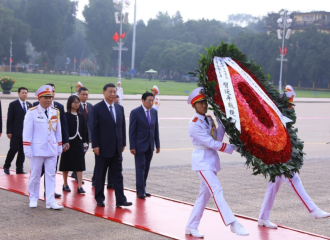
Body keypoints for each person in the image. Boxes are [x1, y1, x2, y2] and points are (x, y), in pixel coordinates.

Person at [258, 85, 330, 229]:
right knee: (293, 179)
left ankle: (263, 218)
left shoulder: (284, 116)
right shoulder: (278, 116)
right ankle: (313, 210)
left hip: (279, 156)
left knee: (273, 185)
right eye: (290, 105)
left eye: (292, 105)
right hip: (277, 157)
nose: (292, 108)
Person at [185, 87, 249, 238]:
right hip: (202, 161)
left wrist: (221, 122)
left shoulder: (208, 118)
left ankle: (191, 226)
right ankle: (233, 223)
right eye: (200, 103)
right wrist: (232, 147)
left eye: (205, 102)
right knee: (216, 189)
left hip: (211, 161)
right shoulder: (194, 124)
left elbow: (217, 139)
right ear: (194, 105)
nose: (204, 105)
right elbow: (210, 143)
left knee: (203, 196)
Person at [23, 85, 63, 209]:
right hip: (37, 149)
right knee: (35, 175)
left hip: (51, 148)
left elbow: (58, 131)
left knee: (51, 175)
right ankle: (33, 197)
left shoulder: (55, 111)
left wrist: (59, 146)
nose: (49, 100)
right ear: (39, 98)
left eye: (50, 97)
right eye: (46, 97)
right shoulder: (32, 112)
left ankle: (50, 200)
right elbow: (27, 132)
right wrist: (27, 149)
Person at [92, 83, 132, 208]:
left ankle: (120, 199)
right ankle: (99, 198)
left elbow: (122, 127)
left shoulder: (119, 108)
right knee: (101, 174)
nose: (113, 94)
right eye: (110, 91)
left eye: (114, 92)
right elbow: (94, 129)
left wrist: (123, 142)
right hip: (102, 148)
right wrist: (95, 145)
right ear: (104, 92)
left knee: (118, 175)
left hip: (117, 148)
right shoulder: (97, 108)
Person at [33, 83, 69, 198]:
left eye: (53, 91)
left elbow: (63, 125)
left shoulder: (59, 107)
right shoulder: (35, 106)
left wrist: (65, 140)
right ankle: (33, 190)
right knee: (39, 171)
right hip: (40, 145)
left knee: (51, 170)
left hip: (53, 145)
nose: (51, 94)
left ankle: (49, 192)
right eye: (48, 92)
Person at [129, 92, 160, 199]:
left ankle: (142, 188)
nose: (151, 103)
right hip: (139, 146)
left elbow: (155, 130)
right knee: (140, 168)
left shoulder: (154, 112)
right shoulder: (135, 112)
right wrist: (132, 146)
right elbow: (132, 131)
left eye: (152, 101)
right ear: (143, 101)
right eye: (149, 101)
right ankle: (140, 190)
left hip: (150, 146)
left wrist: (157, 144)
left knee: (146, 168)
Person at [59, 95, 88, 194]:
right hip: (68, 143)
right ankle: (65, 184)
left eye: (78, 102)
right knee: (66, 164)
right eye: (75, 102)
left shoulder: (82, 116)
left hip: (78, 142)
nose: (77, 104)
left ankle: (80, 186)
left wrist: (85, 142)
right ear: (70, 103)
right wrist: (63, 142)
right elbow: (63, 130)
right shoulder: (65, 115)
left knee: (80, 165)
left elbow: (85, 130)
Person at [3, 87, 32, 175]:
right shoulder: (13, 104)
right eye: (23, 93)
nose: (24, 94)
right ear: (18, 94)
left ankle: (19, 168)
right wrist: (9, 131)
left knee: (22, 151)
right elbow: (10, 119)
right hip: (15, 132)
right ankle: (6, 166)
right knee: (13, 149)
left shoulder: (29, 105)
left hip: (26, 133)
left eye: (26, 93)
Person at [71, 87, 93, 184]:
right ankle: (76, 173)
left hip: (87, 136)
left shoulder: (91, 106)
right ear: (78, 95)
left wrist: (91, 135)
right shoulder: (75, 106)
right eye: (83, 94)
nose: (85, 96)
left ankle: (74, 172)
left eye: (86, 94)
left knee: (82, 154)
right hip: (77, 135)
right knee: (78, 155)